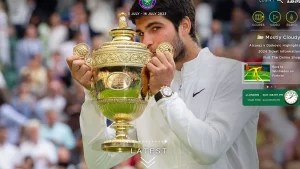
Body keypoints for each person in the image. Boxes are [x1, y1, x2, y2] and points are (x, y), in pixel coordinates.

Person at [66, 0, 262, 169]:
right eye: (141, 33)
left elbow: (210, 150)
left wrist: (163, 93)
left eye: (155, 28)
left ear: (185, 26)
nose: (147, 42)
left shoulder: (249, 75)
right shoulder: (145, 86)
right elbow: (98, 161)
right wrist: (93, 93)